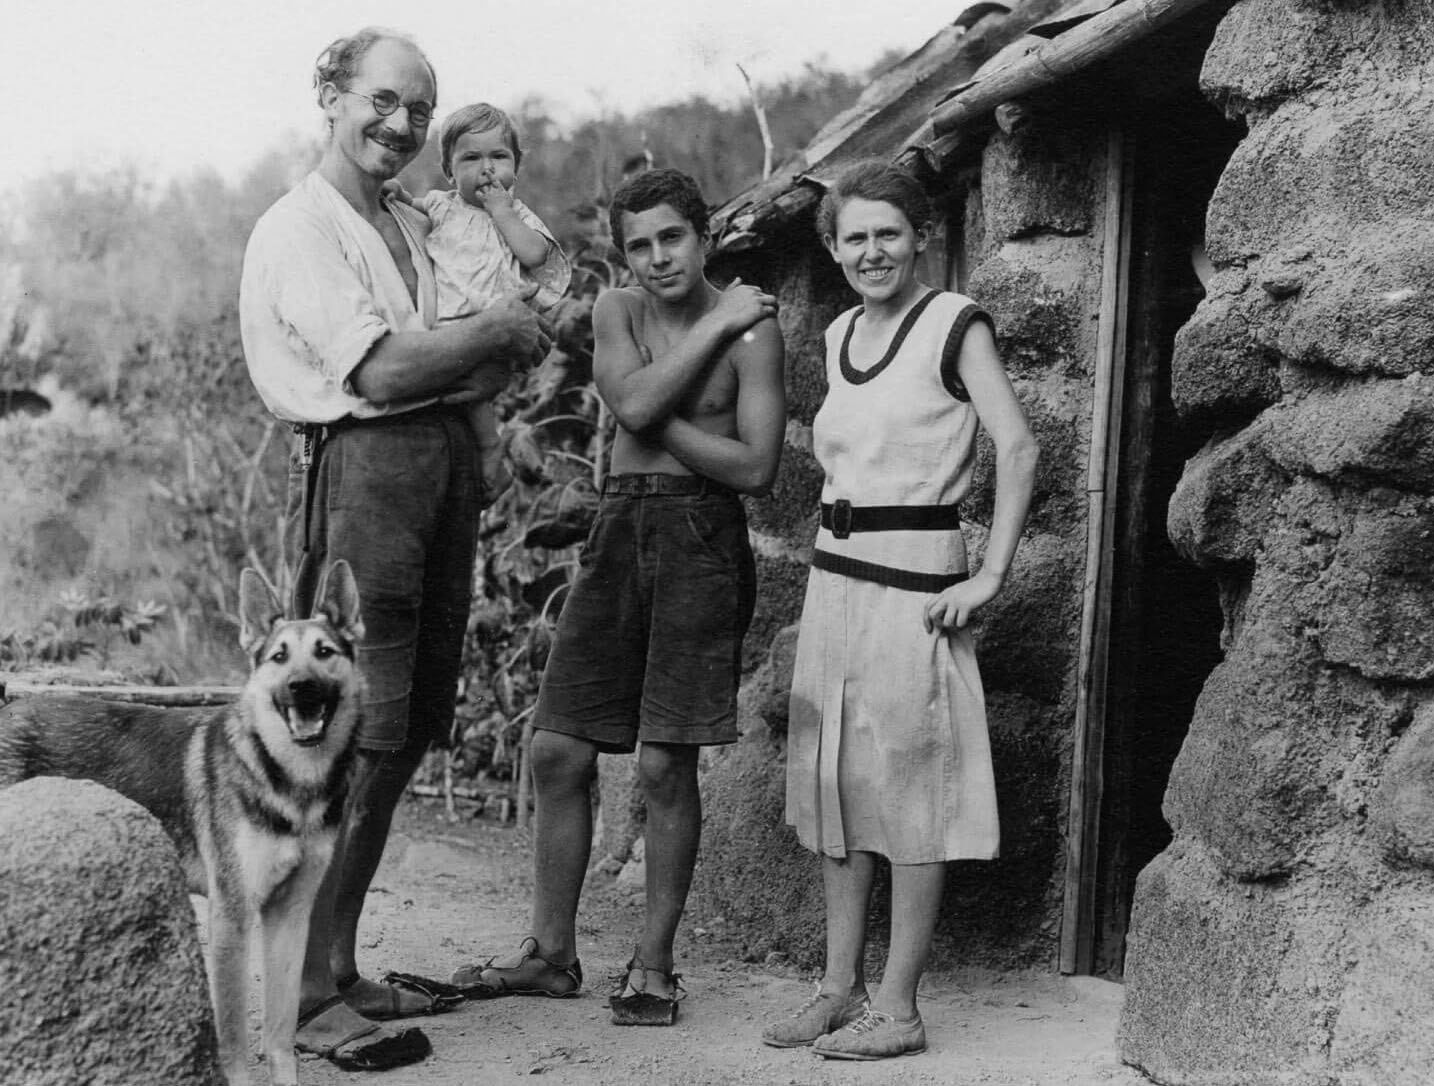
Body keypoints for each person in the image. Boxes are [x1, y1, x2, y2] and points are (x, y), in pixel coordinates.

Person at [238, 27, 550, 1072]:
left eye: (419, 110)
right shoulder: (300, 228)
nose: (402, 126)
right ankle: (306, 991)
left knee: (408, 723)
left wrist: (462, 360)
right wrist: (499, 336)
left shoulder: (411, 220)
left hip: (439, 467)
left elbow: (441, 362)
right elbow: (377, 374)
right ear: (329, 95)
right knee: (342, 732)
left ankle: (338, 957)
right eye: (382, 101)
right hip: (366, 470)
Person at [450, 168, 786, 1026]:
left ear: (704, 236)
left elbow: (754, 468)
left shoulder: (759, 335)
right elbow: (628, 401)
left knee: (666, 762)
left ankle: (655, 961)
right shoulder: (623, 312)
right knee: (557, 750)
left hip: (703, 539)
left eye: (671, 237)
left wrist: (646, 414)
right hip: (618, 531)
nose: (656, 258)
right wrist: (706, 334)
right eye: (638, 246)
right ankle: (552, 954)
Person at [763, 161, 1037, 1060]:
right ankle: (837, 988)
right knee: (838, 780)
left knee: (913, 786)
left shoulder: (953, 324)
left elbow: (1018, 444)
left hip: (919, 575)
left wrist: (989, 574)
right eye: (854, 238)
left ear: (920, 235)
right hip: (836, 572)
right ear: (835, 250)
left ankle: (900, 1006)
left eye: (888, 233)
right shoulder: (842, 330)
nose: (872, 251)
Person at [389, 102, 571, 502]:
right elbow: (413, 211)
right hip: (448, 324)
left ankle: (491, 451)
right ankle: (472, 458)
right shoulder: (442, 204)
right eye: (471, 158)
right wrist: (398, 193)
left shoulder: (516, 213)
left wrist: (501, 212)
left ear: (516, 169)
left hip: (494, 321)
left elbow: (536, 255)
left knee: (475, 397)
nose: (487, 168)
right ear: (451, 172)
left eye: (498, 157)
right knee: (450, 394)